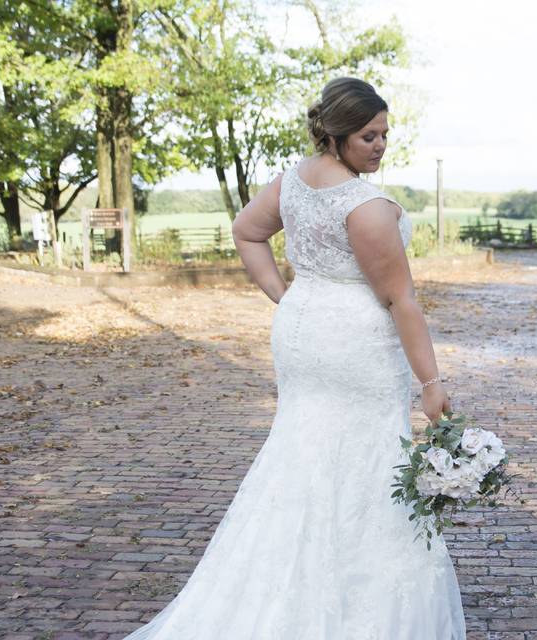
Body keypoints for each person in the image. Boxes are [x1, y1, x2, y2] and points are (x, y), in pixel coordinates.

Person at [121, 77, 467, 639]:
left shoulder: (292, 183)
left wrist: (288, 298)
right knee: (371, 456)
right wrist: (432, 382)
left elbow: (245, 233)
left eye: (384, 134)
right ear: (335, 135)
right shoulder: (368, 206)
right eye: (367, 136)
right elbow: (400, 298)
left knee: (305, 448)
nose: (380, 146)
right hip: (354, 346)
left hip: (304, 335)